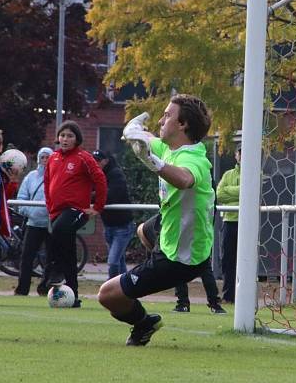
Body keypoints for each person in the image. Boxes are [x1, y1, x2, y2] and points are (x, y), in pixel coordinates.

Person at [97, 94, 215, 346]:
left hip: (183, 257)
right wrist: (132, 130)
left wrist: (152, 162)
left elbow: (184, 180)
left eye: (167, 115)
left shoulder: (194, 159)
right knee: (142, 230)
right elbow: (145, 139)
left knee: (107, 296)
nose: (161, 120)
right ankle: (155, 272)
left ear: (182, 124)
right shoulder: (170, 148)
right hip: (170, 234)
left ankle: (144, 323)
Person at [44, 121, 107, 306]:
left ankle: (54, 270)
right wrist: (50, 208)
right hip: (57, 212)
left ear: (77, 138)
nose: (65, 139)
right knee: (68, 251)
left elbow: (100, 179)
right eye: (62, 135)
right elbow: (48, 184)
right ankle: (73, 295)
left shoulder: (83, 158)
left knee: (57, 231)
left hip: (76, 210)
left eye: (69, 136)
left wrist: (98, 207)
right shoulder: (53, 158)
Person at [142, 213, 225, 314]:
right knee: (204, 268)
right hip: (199, 232)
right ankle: (215, 304)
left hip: (183, 232)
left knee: (179, 267)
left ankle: (183, 304)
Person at [14, 147, 53, 296]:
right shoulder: (31, 177)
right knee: (26, 257)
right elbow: (22, 198)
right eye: (42, 157)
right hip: (33, 223)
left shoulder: (57, 176)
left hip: (51, 223)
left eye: (47, 157)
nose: (45, 160)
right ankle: (22, 288)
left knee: (51, 256)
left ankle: (45, 287)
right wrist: (30, 212)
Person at [92, 150, 135, 279]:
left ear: (106, 161)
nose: (95, 163)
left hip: (122, 227)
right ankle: (125, 291)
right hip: (109, 225)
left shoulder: (115, 174)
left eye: (98, 160)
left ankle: (112, 290)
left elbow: (110, 195)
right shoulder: (97, 175)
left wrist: (92, 195)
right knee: (119, 261)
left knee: (113, 261)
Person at [216, 143, 242, 303]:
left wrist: (229, 191)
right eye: (240, 152)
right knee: (227, 260)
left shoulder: (256, 172)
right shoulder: (228, 174)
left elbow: (251, 190)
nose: (242, 155)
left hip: (246, 223)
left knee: (245, 260)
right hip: (229, 221)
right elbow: (219, 194)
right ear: (236, 155)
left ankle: (243, 297)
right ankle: (228, 296)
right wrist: (239, 191)